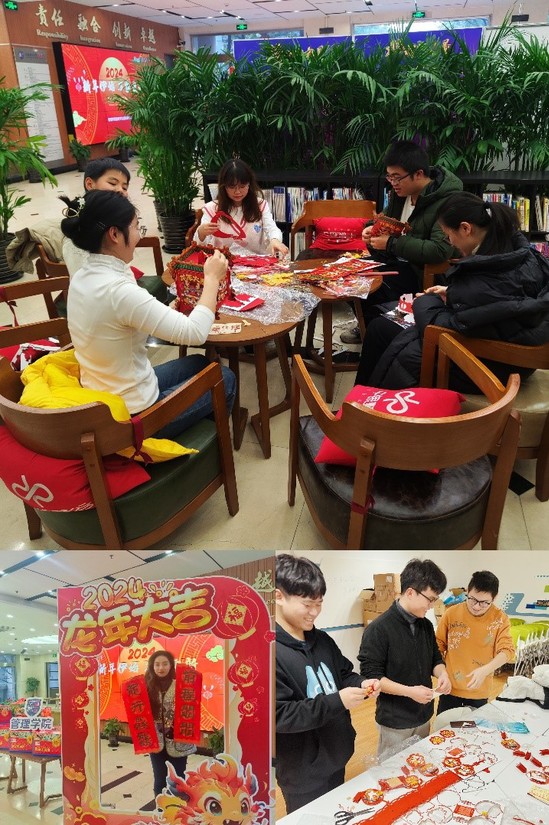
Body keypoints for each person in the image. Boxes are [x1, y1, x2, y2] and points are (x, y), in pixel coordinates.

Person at [61, 189, 236, 439]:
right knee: (225, 377)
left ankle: (195, 423)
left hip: (101, 395)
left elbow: (124, 317)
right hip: (132, 414)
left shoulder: (81, 275)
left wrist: (165, 311)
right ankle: (206, 445)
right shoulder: (118, 291)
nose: (139, 235)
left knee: (199, 363)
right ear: (114, 234)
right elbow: (195, 333)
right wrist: (211, 279)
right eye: (136, 227)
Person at [355, 191, 549, 391]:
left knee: (380, 328)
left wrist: (427, 300)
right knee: (385, 323)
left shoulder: (484, 277)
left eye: (448, 236)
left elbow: (442, 323)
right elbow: (495, 301)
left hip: (487, 364)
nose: (451, 244)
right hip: (511, 350)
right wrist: (451, 293)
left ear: (466, 228)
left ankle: (364, 402)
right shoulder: (521, 254)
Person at [276, 554, 379, 814]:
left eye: (319, 604)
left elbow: (343, 674)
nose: (315, 612)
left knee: (335, 813)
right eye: (307, 604)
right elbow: (279, 715)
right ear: (278, 596)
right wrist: (337, 701)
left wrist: (363, 683)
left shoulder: (322, 640)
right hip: (302, 773)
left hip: (337, 755)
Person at [341, 140, 462, 343]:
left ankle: (376, 332)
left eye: (397, 177)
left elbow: (439, 250)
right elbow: (384, 219)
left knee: (369, 286)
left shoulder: (447, 202)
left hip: (421, 273)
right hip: (396, 261)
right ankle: (368, 328)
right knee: (349, 275)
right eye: (389, 177)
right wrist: (370, 229)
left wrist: (390, 244)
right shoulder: (401, 195)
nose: (392, 182)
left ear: (419, 174)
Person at [357, 558, 452, 761]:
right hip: (395, 720)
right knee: (391, 770)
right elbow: (372, 677)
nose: (432, 605)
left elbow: (435, 657)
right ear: (410, 592)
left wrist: (442, 673)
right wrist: (410, 692)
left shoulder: (425, 625)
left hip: (424, 713)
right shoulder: (379, 629)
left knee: (420, 764)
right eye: (430, 599)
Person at [435, 570, 514, 715]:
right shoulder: (451, 613)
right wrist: (441, 673)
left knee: (474, 728)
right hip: (449, 688)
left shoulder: (500, 619)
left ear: (494, 598)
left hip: (479, 692)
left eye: (484, 603)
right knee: (444, 727)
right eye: (472, 599)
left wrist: (485, 670)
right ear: (467, 591)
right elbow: (438, 645)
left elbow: (507, 651)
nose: (476, 606)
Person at [194, 158, 288, 258]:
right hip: (223, 262)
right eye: (232, 187)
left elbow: (271, 228)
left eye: (242, 186)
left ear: (249, 185)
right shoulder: (212, 209)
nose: (237, 192)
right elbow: (199, 245)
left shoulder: (260, 205)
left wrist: (275, 240)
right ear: (224, 186)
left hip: (256, 261)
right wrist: (201, 232)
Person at [62, 157, 131, 277]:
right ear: (90, 184)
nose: (120, 190)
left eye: (124, 187)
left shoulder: (115, 218)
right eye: (113, 183)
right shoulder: (80, 231)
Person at [144, 650, 196, 800]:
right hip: (157, 743)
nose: (161, 668)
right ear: (152, 666)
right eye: (157, 664)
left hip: (179, 742)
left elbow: (191, 709)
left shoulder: (182, 684)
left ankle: (179, 810)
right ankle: (160, 810)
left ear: (171, 665)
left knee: (178, 780)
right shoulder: (147, 686)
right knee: (159, 780)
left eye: (165, 664)